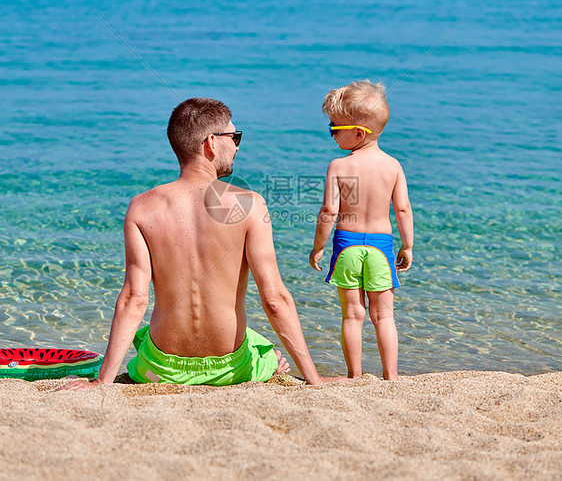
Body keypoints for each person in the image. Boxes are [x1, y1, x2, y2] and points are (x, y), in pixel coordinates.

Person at [63, 97, 346, 389]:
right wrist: (316, 379)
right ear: (212, 143)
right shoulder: (250, 205)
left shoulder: (141, 208)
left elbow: (134, 298)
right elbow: (274, 299)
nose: (237, 146)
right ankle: (271, 363)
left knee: (146, 336)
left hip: (162, 369)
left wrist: (102, 381)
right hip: (230, 369)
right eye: (235, 137)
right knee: (264, 350)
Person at [309, 81, 414, 381]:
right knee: (384, 316)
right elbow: (403, 210)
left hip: (347, 247)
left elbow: (328, 212)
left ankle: (355, 375)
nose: (331, 133)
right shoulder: (393, 166)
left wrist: (318, 247)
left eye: (334, 129)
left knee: (353, 315)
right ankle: (390, 376)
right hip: (381, 248)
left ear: (358, 132)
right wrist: (407, 246)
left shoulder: (339, 166)